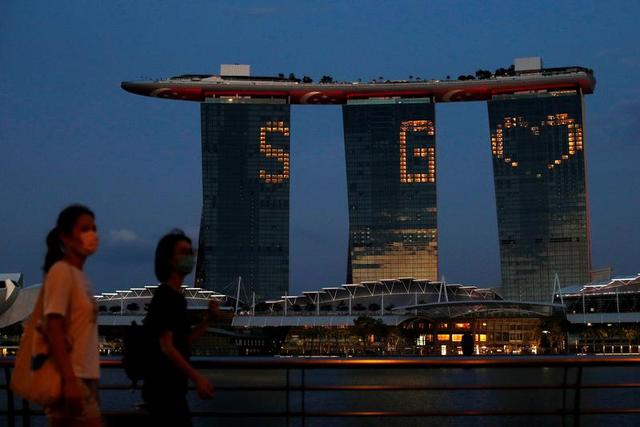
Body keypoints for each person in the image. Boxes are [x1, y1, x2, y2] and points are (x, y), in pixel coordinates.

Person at [142, 230, 220, 426]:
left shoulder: (175, 296)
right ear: (169, 259)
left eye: (190, 251)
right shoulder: (168, 297)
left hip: (170, 390)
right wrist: (197, 378)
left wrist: (207, 320)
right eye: (183, 252)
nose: (190, 256)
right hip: (164, 391)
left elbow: (183, 341)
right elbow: (166, 346)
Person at [42, 204, 102, 426]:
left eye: (94, 228)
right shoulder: (61, 272)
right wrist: (69, 382)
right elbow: (53, 327)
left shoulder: (80, 277)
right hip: (71, 380)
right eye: (84, 229)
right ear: (65, 237)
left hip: (83, 380)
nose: (92, 235)